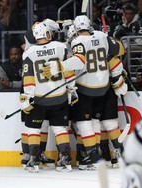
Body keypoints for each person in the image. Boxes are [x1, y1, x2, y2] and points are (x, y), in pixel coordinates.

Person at [42, 15, 126, 170]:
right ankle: (115, 155)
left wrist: (60, 66)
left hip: (86, 88)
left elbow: (79, 62)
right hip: (104, 86)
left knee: (85, 124)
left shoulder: (77, 42)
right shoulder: (103, 36)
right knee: (102, 122)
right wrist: (118, 78)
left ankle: (93, 157)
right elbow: (118, 52)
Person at [21, 22, 77, 173]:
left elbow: (28, 78)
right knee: (60, 129)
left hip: (39, 99)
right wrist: (71, 89)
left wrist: (28, 97)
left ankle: (34, 161)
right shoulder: (61, 47)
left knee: (34, 129)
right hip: (59, 97)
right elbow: (69, 70)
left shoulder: (29, 52)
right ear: (46, 33)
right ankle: (65, 160)